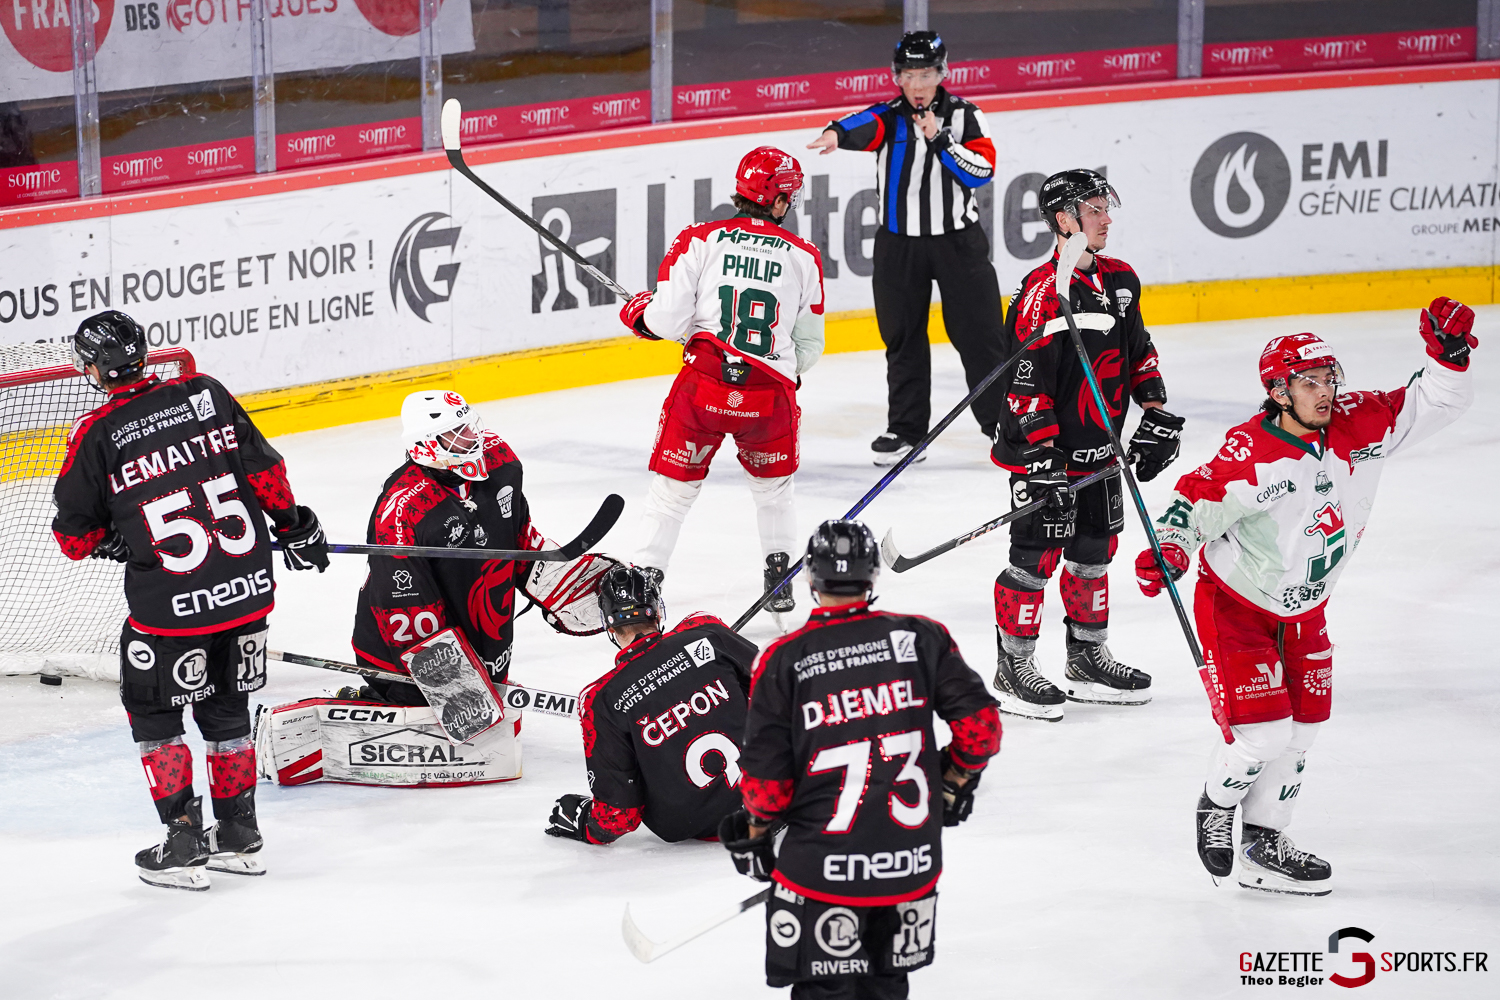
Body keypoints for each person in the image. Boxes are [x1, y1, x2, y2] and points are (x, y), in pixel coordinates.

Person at [1136, 300, 1476, 895]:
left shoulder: (1359, 421)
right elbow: (1193, 500)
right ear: (1278, 391)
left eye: (1329, 378)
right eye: (1309, 382)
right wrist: (1169, 548)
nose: (1325, 392)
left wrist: (1447, 358)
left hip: (1306, 606)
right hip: (1237, 606)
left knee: (1303, 731)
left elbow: (1435, 402)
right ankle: (1216, 806)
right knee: (1262, 735)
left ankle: (1266, 843)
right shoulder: (1251, 453)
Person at [52, 310, 329, 890]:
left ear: (93, 370)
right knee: (227, 711)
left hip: (170, 609)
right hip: (249, 592)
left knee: (155, 713)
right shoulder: (205, 392)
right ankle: (239, 836)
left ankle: (182, 840)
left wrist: (113, 541)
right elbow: (267, 476)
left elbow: (74, 538)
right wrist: (296, 524)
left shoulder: (97, 434)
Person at [722, 519, 1001, 999]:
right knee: (888, 987)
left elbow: (767, 789)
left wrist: (756, 834)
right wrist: (954, 780)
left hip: (821, 871)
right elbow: (981, 730)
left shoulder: (784, 658)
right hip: (909, 865)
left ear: (811, 579)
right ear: (873, 575)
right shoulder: (921, 637)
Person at [987, 168, 1183, 722]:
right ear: (1063, 219)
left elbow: (1138, 347)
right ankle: (1012, 664)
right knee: (1034, 558)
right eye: (1094, 208)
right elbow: (1025, 381)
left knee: (1094, 551)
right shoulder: (1041, 293)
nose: (1106, 218)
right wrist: (1045, 459)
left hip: (1101, 447)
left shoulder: (1121, 278)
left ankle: (1087, 657)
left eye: (1105, 207)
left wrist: (1157, 413)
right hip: (1044, 450)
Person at [619, 145, 824, 618]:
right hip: (767, 396)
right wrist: (780, 373)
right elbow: (809, 347)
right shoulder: (804, 256)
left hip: (704, 390)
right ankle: (780, 575)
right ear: (777, 201)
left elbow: (667, 321)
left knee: (672, 493)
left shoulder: (699, 239)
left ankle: (647, 580)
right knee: (774, 492)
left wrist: (640, 315)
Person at [808, 30, 1004, 467]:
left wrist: (940, 140)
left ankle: (1003, 428)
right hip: (899, 247)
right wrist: (835, 133)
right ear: (897, 76)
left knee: (981, 339)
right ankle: (907, 431)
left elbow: (981, 171)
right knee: (902, 339)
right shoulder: (891, 117)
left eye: (927, 73)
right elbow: (863, 124)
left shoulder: (967, 117)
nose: (918, 85)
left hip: (959, 245)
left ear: (943, 72)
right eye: (910, 75)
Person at [544, 564, 758, 845]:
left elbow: (617, 817)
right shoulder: (705, 629)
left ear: (608, 624)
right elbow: (788, 691)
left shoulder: (600, 699)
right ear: (657, 611)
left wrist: (583, 822)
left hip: (693, 823)